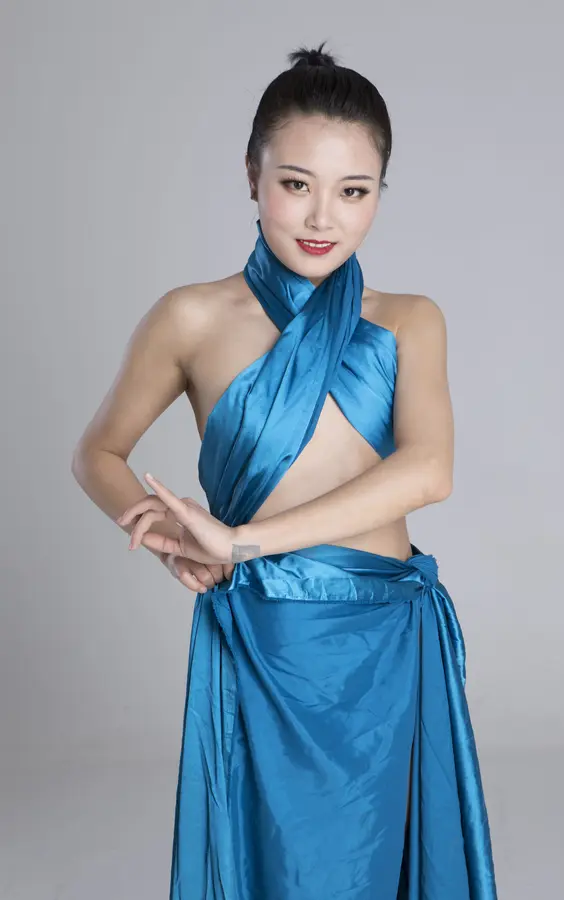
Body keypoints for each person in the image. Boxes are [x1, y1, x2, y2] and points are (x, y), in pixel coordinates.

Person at [72, 41, 498, 900]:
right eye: (296, 183)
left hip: (385, 644)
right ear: (252, 175)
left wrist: (243, 540)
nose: (322, 216)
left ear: (379, 194)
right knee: (275, 872)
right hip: (262, 641)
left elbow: (429, 471)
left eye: (354, 191)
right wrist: (169, 540)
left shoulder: (409, 320)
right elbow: (97, 454)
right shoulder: (191, 318)